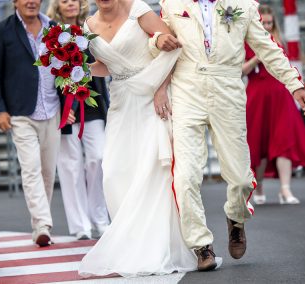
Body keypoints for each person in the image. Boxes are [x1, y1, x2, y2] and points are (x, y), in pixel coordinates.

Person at [149, 0, 305, 269]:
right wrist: (157, 42)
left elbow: (268, 48)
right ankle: (201, 245)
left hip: (228, 91)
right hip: (186, 92)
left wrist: (295, 85)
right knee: (185, 176)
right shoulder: (171, 4)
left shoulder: (243, 5)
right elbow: (157, 45)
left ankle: (236, 217)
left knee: (240, 177)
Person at [78, 0, 215, 277]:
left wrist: (161, 89)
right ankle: (132, 245)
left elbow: (173, 48)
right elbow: (107, 65)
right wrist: (79, 68)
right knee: (115, 173)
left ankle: (163, 246)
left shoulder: (138, 9)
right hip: (121, 102)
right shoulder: (88, 25)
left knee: (154, 171)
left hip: (153, 97)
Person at [0, 0, 60, 246]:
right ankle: (42, 225)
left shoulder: (54, 28)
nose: (31, 1)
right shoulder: (2, 30)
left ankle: (40, 221)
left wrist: (69, 103)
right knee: (31, 169)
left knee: (48, 171)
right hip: (21, 113)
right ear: (15, 2)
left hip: (52, 110)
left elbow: (67, 68)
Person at [243, 4, 305, 205]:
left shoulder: (279, 42)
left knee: (283, 142)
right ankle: (258, 187)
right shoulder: (246, 42)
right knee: (257, 145)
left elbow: (287, 67)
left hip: (280, 96)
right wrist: (256, 59)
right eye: (264, 23)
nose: (267, 26)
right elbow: (240, 71)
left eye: (270, 23)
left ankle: (285, 189)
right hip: (257, 97)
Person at [46, 0, 110, 240]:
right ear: (58, 6)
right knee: (70, 166)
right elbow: (48, 75)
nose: (70, 3)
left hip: (92, 106)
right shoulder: (52, 35)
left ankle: (100, 218)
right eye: (64, 0)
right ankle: (80, 226)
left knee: (98, 159)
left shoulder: (90, 28)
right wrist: (63, 108)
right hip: (64, 111)